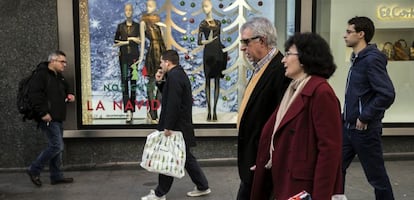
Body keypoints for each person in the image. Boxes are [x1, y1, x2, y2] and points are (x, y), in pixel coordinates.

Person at [250, 32, 344, 200]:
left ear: (305, 58)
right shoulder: (294, 89)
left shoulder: (321, 92)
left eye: (288, 54)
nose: (283, 60)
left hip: (302, 187)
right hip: (283, 178)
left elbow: (329, 151)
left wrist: (321, 196)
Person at [141, 50, 211, 200]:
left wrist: (168, 126)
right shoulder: (176, 75)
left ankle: (160, 193)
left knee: (167, 157)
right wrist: (160, 82)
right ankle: (202, 186)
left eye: (161, 62)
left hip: (176, 127)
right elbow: (170, 96)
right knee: (186, 158)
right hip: (180, 126)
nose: (160, 65)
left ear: (167, 62)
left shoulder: (174, 76)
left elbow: (173, 103)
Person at [236, 17, 290, 200]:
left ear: (262, 40)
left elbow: (281, 121)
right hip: (253, 158)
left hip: (262, 161)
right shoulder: (261, 67)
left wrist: (267, 157)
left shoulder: (281, 71)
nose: (242, 47)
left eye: (246, 41)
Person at [342, 16, 395, 200]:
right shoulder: (357, 59)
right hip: (348, 128)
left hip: (365, 131)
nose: (344, 35)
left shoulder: (371, 60)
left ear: (361, 34)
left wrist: (365, 117)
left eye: (349, 32)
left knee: (377, 178)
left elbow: (387, 93)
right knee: (334, 169)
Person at [26, 50, 75, 186]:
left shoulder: (58, 76)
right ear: (52, 61)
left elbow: (64, 89)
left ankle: (56, 176)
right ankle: (34, 169)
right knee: (56, 146)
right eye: (62, 62)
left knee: (57, 147)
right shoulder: (41, 75)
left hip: (57, 116)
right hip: (47, 117)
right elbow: (34, 95)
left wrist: (69, 94)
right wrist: (43, 113)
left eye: (65, 62)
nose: (64, 65)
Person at [197, 0, 228, 121]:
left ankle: (214, 111)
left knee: (217, 81)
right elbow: (199, 41)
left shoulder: (219, 23)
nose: (205, 8)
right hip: (208, 53)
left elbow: (221, 37)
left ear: (211, 7)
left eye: (207, 6)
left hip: (218, 53)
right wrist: (208, 41)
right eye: (203, 6)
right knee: (208, 81)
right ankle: (209, 111)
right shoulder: (202, 24)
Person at [139, 0, 167, 124]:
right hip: (151, 53)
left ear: (155, 7)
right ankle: (153, 113)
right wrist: (140, 57)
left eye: (151, 6)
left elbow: (164, 40)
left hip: (161, 52)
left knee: (162, 84)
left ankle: (154, 110)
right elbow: (144, 41)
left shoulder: (159, 20)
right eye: (147, 6)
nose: (148, 8)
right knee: (151, 82)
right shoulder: (143, 21)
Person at [114, 3, 141, 123]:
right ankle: (127, 110)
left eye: (130, 10)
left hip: (134, 58)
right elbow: (116, 41)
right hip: (124, 58)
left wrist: (127, 40)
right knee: (125, 83)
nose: (128, 12)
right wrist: (130, 41)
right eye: (126, 10)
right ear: (124, 12)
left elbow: (140, 41)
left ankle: (132, 109)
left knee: (133, 83)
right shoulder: (120, 26)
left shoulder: (138, 25)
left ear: (132, 11)